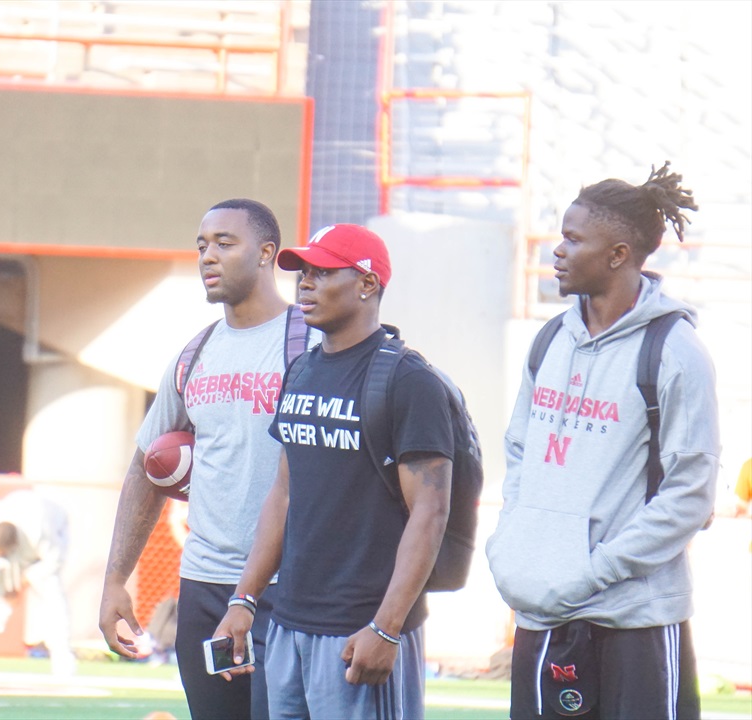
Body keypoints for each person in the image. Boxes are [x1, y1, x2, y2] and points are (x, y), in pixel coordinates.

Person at [486, 163, 718, 719]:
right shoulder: (550, 339)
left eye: (573, 239)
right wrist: (511, 542)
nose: (558, 251)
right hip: (545, 613)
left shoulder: (675, 351)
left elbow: (691, 495)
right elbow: (519, 452)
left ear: (617, 254)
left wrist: (595, 572)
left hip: (634, 619)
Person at [213, 224, 453, 718]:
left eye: (322, 272)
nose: (305, 283)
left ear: (367, 284)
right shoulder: (301, 370)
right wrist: (244, 600)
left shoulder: (409, 380)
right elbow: (284, 494)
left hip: (360, 630)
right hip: (288, 624)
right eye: (303, 272)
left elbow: (430, 513)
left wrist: (386, 627)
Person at [99, 198, 311, 719]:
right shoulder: (193, 355)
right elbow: (143, 471)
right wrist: (115, 580)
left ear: (267, 253)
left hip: (290, 587)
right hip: (205, 587)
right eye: (201, 246)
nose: (207, 256)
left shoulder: (311, 343)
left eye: (224, 243)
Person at [0, 489, 75, 675]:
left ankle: (62, 654)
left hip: (48, 543)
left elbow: (54, 561)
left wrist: (20, 584)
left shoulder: (41, 529)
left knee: (51, 590)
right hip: (18, 528)